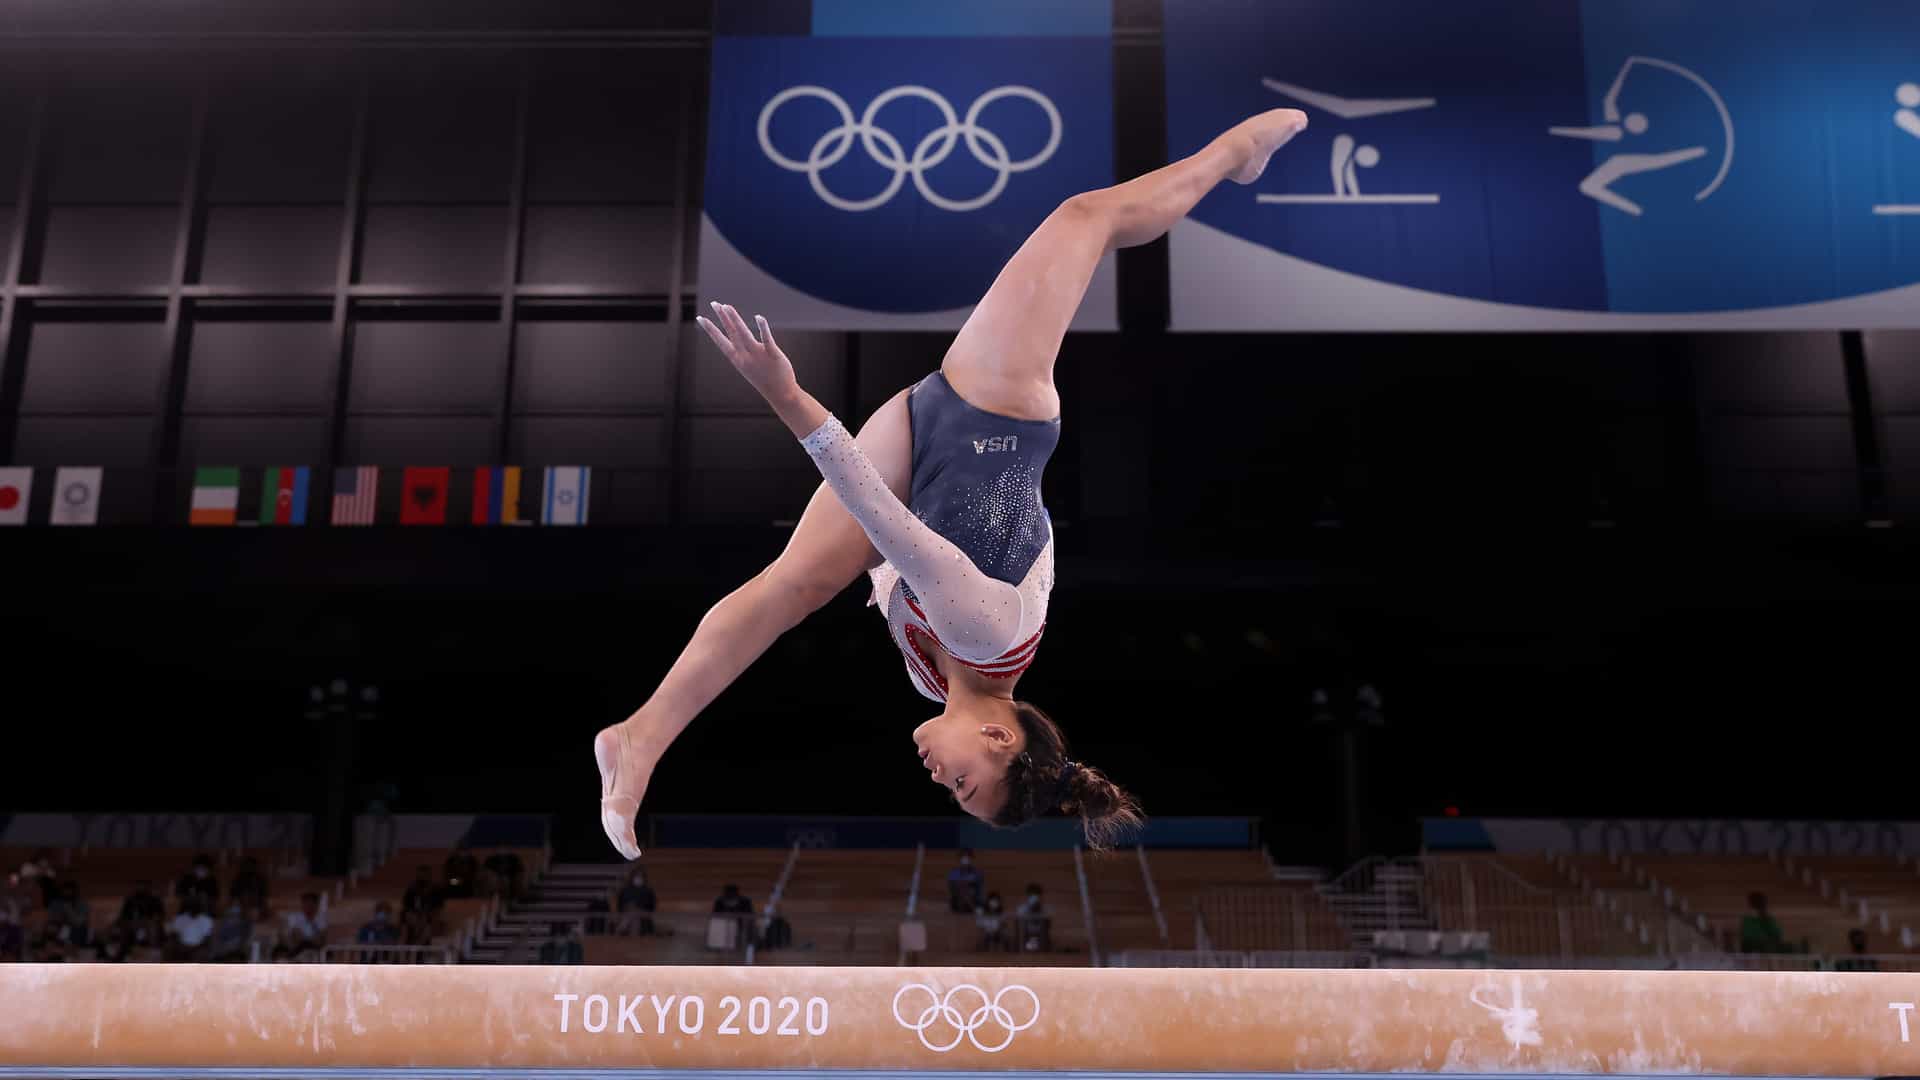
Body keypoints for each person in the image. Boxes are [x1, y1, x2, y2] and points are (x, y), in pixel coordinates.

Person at [593, 109, 1312, 860]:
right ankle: (1232, 152)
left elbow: (884, 540)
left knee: (794, 586)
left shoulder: (930, 682)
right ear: (1000, 737)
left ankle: (639, 737)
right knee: (1085, 218)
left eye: (953, 793)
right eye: (966, 783)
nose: (941, 779)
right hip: (993, 410)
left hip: (914, 457)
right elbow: (882, 521)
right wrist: (785, 394)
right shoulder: (986, 631)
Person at [276, 892, 328, 961]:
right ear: (302, 904)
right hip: (297, 945)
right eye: (306, 904)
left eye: (311, 904)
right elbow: (295, 935)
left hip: (313, 946)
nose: (308, 907)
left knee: (317, 941)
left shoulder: (321, 919)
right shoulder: (294, 917)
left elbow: (321, 938)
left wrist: (312, 923)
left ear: (316, 905)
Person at [116, 880, 167, 948]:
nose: (141, 887)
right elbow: (123, 915)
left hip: (149, 922)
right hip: (133, 922)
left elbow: (161, 915)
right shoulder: (131, 899)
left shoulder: (155, 900)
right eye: (139, 885)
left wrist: (153, 919)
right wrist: (130, 921)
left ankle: (153, 948)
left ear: (148, 887)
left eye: (143, 885)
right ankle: (124, 948)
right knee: (123, 926)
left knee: (153, 926)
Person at [401, 866, 444, 946]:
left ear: (429, 876)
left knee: (427, 927)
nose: (422, 877)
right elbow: (406, 907)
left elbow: (438, 908)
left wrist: (427, 915)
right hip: (414, 917)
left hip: (429, 917)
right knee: (406, 923)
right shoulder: (411, 889)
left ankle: (417, 947)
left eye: (425, 875)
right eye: (420, 875)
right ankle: (405, 948)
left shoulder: (436, 890)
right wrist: (413, 915)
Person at [165, 896, 215, 962]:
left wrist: (195, 948)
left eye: (196, 904)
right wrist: (181, 946)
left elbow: (207, 938)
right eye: (192, 904)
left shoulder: (207, 920)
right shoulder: (180, 918)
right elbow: (174, 935)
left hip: (199, 948)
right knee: (169, 947)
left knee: (202, 953)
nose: (193, 907)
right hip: (181, 947)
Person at [616, 869, 657, 936]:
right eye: (637, 876)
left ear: (644, 878)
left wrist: (638, 906)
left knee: (634, 912)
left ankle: (621, 928)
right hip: (627, 912)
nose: (638, 878)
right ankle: (634, 936)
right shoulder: (625, 890)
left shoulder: (648, 890)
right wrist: (627, 907)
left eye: (640, 876)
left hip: (644, 912)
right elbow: (620, 904)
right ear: (632, 877)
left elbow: (652, 906)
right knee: (634, 916)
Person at [1015, 883, 1051, 952]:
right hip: (1026, 933)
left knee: (1044, 924)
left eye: (1036, 896)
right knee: (1019, 923)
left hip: (1040, 934)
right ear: (1028, 896)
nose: (1034, 899)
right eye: (1031, 896)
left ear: (1040, 897)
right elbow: (1019, 925)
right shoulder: (1021, 908)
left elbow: (1048, 925)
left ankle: (1043, 952)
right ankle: (1021, 950)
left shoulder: (1045, 909)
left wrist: (1038, 909)